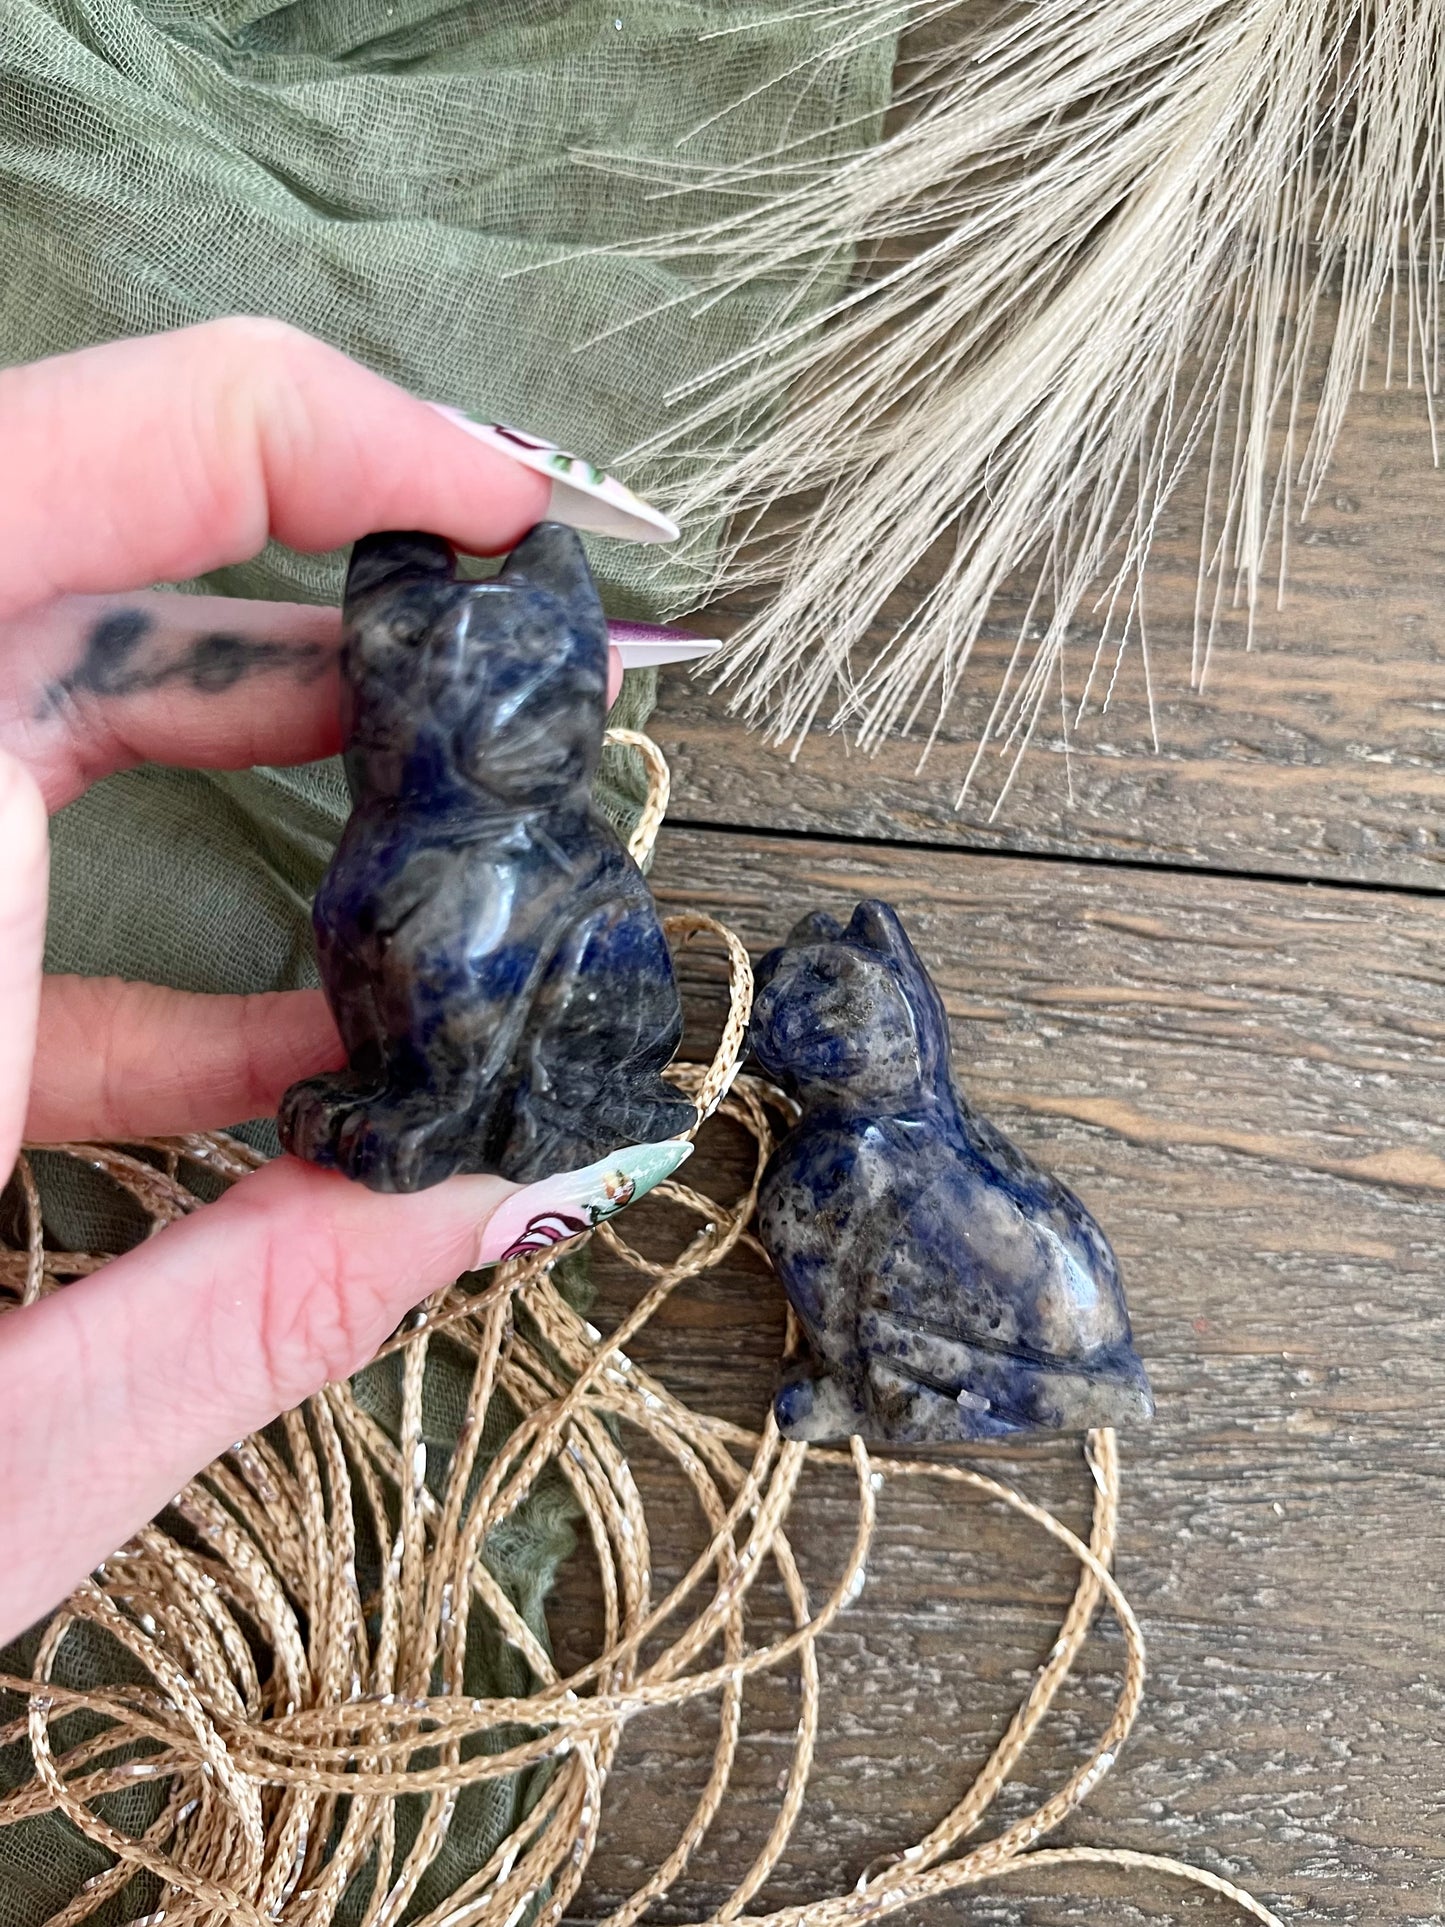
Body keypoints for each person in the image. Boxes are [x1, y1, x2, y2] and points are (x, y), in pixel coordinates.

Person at [0, 318, 646, 1644]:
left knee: (452, 980)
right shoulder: (397, 826)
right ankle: (425, 1107)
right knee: (381, 968)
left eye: (524, 700)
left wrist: (437, 1100)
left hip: (545, 1054)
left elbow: (460, 986)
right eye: (431, 690)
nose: (475, 725)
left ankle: (459, 1115)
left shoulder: (515, 858)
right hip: (434, 1002)